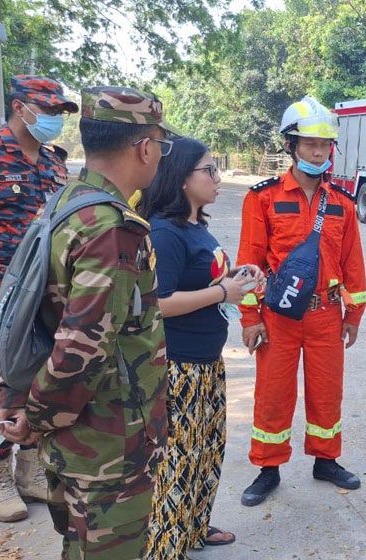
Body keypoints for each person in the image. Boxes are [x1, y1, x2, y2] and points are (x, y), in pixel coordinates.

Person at [0, 85, 173, 559]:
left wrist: (19, 401)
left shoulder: (64, 201)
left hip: (79, 441)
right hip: (107, 444)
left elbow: (25, 312)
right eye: (160, 143)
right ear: (145, 147)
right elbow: (82, 346)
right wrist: (34, 419)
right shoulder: (111, 226)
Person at [237, 96, 366, 507]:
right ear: (290, 145)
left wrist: (354, 314)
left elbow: (353, 265)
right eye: (310, 143)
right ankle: (268, 468)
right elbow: (250, 264)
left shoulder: (343, 204)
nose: (319, 151)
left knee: (327, 393)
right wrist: (249, 318)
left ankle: (326, 460)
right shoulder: (263, 198)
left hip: (327, 315)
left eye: (326, 144)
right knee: (273, 395)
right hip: (278, 316)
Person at [137, 137, 257, 556]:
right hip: (179, 366)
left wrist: (236, 279)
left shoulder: (195, 227)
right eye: (209, 169)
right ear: (183, 179)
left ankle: (192, 527)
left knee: (206, 453)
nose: (217, 177)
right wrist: (223, 294)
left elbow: (203, 282)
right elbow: (159, 305)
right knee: (178, 464)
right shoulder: (166, 232)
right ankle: (166, 546)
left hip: (207, 363)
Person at [0, 75, 77, 522]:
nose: (53, 119)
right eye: (46, 110)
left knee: (34, 378)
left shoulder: (54, 163)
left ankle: (29, 468)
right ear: (18, 106)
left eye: (59, 113)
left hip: (44, 298)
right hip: (1, 298)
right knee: (0, 383)